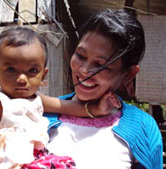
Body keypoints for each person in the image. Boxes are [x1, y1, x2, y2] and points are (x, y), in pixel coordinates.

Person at [0, 26, 108, 169]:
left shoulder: (38, 100)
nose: (22, 78)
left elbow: (66, 107)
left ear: (43, 75)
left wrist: (96, 109)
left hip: (34, 163)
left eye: (32, 71)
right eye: (11, 70)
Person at [43, 9, 163, 169]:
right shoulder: (41, 115)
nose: (84, 70)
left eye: (100, 65)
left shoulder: (142, 128)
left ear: (128, 74)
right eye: (80, 55)